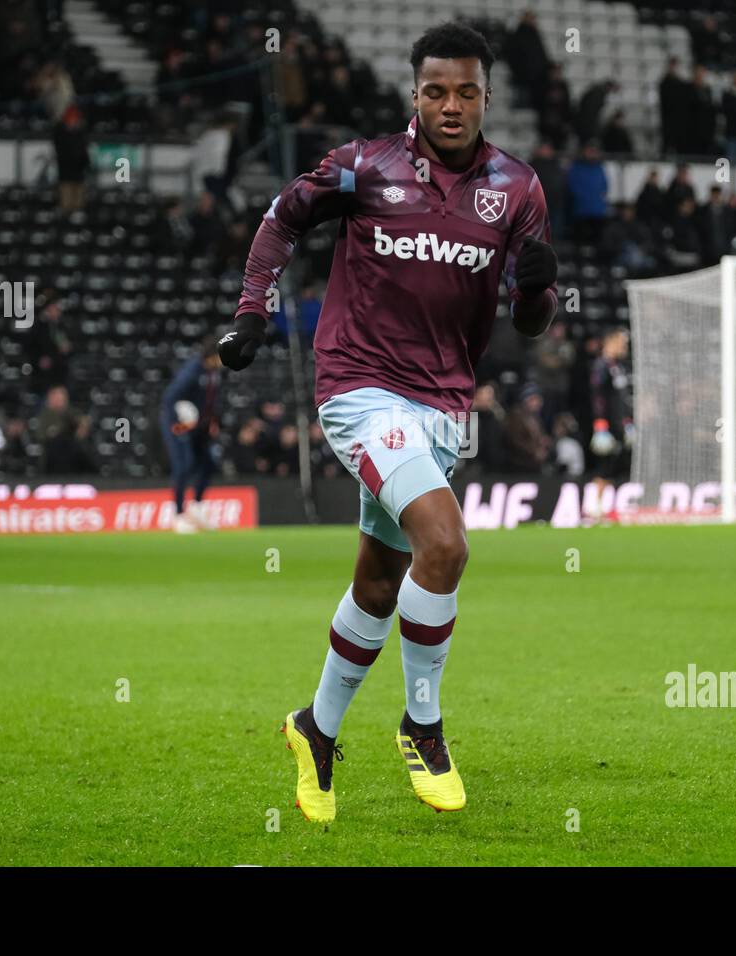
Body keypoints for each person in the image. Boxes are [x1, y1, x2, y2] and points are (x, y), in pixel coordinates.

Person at [216, 22, 557, 823]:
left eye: (465, 91)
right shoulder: (364, 166)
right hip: (359, 390)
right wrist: (251, 313)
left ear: (485, 97)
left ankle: (316, 730)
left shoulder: (517, 190)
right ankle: (424, 725)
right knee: (445, 544)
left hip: (442, 405)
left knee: (378, 581)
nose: (450, 104)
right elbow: (280, 218)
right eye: (435, 90)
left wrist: (538, 291)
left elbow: (532, 321)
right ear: (415, 93)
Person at [160, 339, 224, 533]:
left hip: (200, 426)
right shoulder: (192, 371)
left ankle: (196, 507)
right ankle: (178, 515)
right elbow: (170, 398)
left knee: (210, 462)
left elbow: (209, 400)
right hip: (179, 425)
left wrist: (212, 421)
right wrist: (179, 423)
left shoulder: (213, 373)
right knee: (184, 466)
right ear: (212, 356)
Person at [584, 327, 631, 523]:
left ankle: (603, 507)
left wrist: (627, 421)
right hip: (605, 424)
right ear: (610, 343)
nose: (624, 347)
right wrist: (600, 424)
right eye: (621, 343)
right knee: (604, 465)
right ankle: (592, 507)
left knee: (614, 464)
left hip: (618, 423)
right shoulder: (600, 366)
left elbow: (621, 398)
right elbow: (598, 397)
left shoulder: (617, 367)